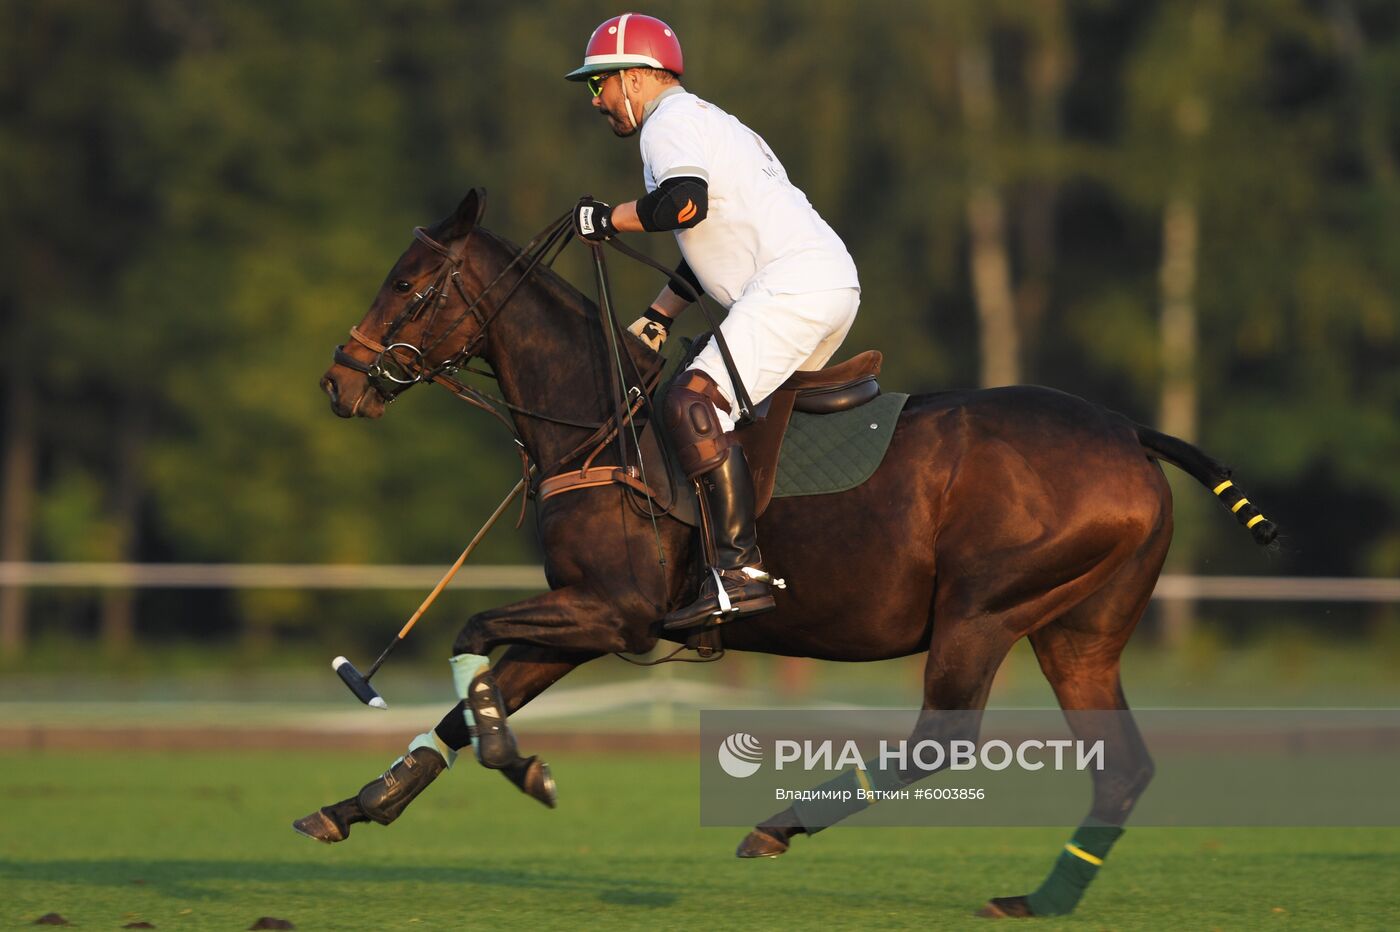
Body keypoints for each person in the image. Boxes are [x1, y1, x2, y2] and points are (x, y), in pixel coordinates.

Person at [566, 13, 862, 631]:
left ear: (638, 78)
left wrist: (605, 218)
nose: (597, 101)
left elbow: (684, 204)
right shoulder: (706, 122)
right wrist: (658, 316)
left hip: (793, 288)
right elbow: (707, 238)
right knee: (731, 412)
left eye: (601, 84)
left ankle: (738, 575)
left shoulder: (666, 127)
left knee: (692, 403)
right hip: (817, 284)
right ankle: (779, 554)